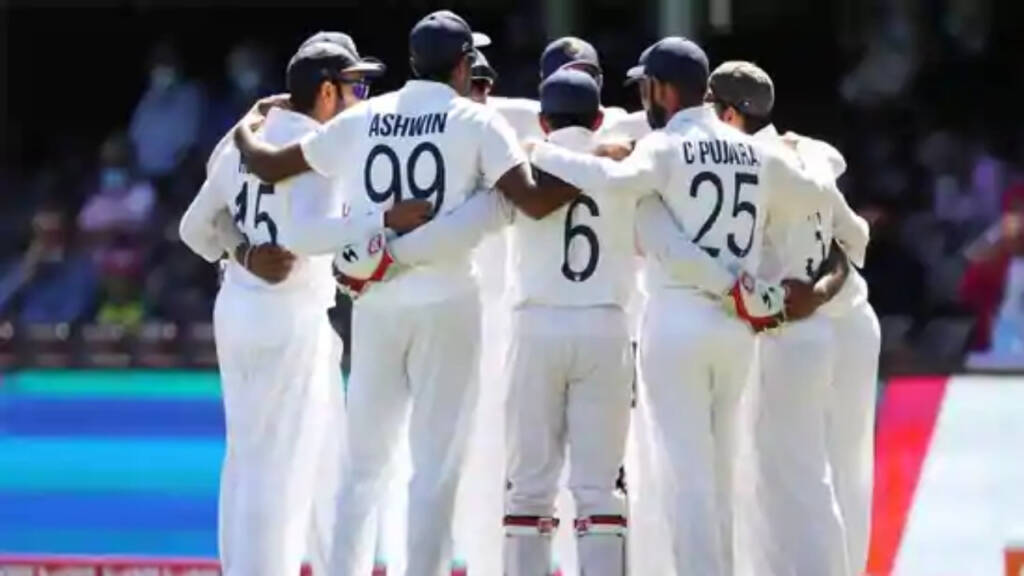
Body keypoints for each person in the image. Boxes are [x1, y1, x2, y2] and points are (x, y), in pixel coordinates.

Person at [231, 10, 581, 575]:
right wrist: (593, 170)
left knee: (362, 464)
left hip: (377, 304)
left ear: (413, 61)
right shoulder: (476, 120)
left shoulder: (365, 116)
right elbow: (534, 200)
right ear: (465, 63)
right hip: (448, 302)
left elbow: (270, 163)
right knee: (435, 466)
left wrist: (246, 127)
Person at [528, 36, 864, 575]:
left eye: (647, 87)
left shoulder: (664, 146)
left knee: (685, 474)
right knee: (723, 469)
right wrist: (808, 158)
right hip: (737, 328)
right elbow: (812, 193)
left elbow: (612, 184)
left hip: (679, 316)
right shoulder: (755, 149)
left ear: (662, 88)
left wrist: (543, 153)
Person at [178, 37, 427, 576]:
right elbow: (307, 236)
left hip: (240, 307)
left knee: (259, 456)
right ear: (326, 91)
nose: (362, 97)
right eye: (356, 86)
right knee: (282, 464)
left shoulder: (243, 139)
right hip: (287, 315)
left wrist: (242, 252)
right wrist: (385, 219)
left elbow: (194, 228)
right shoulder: (319, 147)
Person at [705, 61, 872, 576]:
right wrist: (820, 292)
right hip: (836, 322)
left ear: (730, 114)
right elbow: (856, 237)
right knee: (836, 473)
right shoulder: (811, 152)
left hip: (792, 330)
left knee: (791, 477)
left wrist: (811, 296)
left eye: (710, 108)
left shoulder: (756, 162)